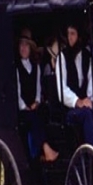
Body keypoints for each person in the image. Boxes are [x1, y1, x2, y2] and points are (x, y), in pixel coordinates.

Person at [55, 21, 93, 152]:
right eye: (68, 34)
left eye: (73, 34)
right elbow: (62, 90)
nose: (70, 37)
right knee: (87, 114)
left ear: (79, 36)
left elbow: (91, 84)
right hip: (69, 110)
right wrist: (78, 101)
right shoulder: (62, 58)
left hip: (85, 106)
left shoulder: (86, 56)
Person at [16, 28, 59, 162]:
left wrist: (37, 101)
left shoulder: (36, 67)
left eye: (26, 45)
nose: (23, 48)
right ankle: (45, 150)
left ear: (30, 48)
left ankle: (50, 148)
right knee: (32, 117)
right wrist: (25, 107)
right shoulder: (16, 68)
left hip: (35, 106)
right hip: (23, 110)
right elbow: (17, 92)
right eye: (21, 45)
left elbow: (38, 89)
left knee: (46, 112)